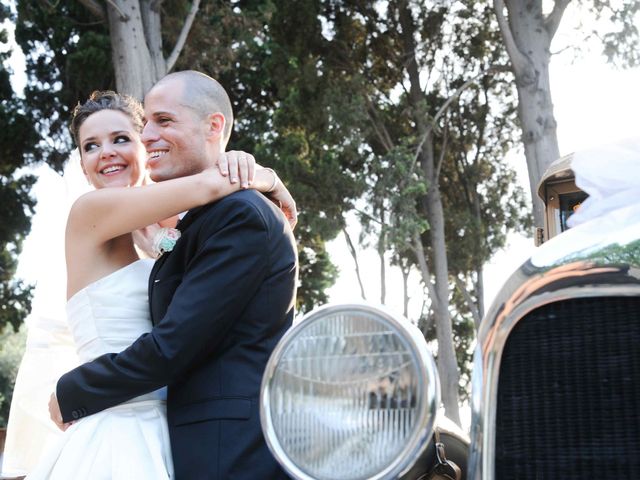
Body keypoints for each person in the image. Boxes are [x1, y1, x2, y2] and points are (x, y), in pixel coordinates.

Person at [25, 86, 296, 479]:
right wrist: (266, 178)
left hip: (169, 429)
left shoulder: (159, 232)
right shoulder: (90, 211)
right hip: (115, 425)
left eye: (120, 139)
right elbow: (208, 185)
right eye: (90, 146)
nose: (106, 154)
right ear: (82, 165)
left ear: (144, 149)